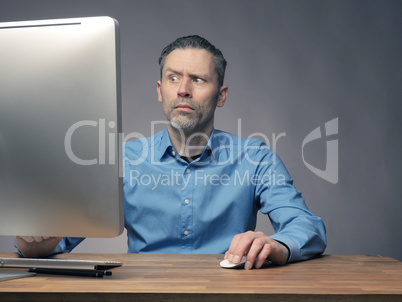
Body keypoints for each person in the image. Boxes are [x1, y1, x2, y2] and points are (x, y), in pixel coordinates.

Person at [17, 35, 326, 269]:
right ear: (160, 90)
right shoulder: (122, 161)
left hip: (228, 294)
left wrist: (276, 246)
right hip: (140, 296)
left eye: (198, 79)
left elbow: (307, 226)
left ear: (221, 95)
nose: (183, 90)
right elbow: (57, 239)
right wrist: (35, 243)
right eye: (173, 77)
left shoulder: (255, 158)